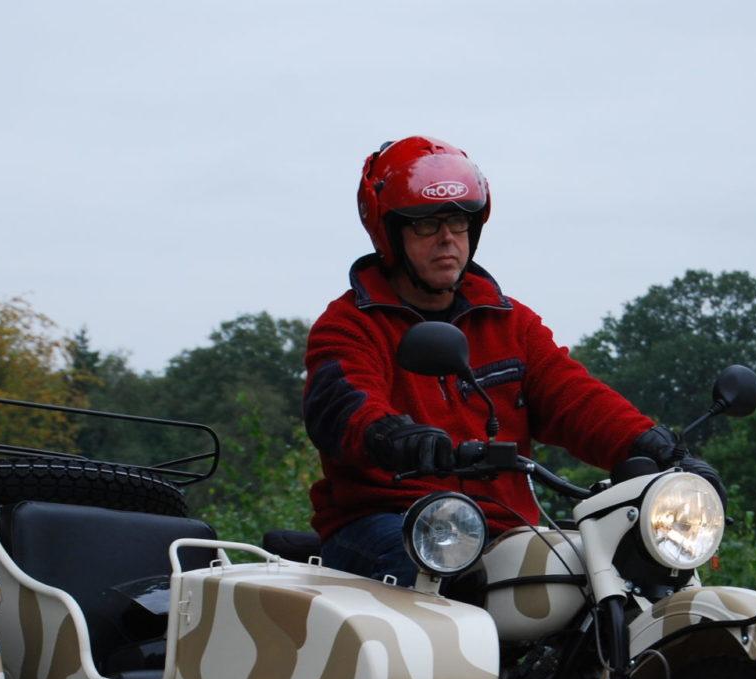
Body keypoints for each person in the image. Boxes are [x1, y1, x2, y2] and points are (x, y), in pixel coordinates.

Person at [301, 136, 713, 585]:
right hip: (389, 521)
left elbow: (575, 398)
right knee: (433, 576)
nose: (447, 239)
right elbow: (343, 405)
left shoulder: (509, 323)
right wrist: (393, 435)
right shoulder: (348, 326)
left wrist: (658, 448)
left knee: (616, 578)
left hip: (505, 530)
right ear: (390, 233)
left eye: (458, 222)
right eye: (426, 225)